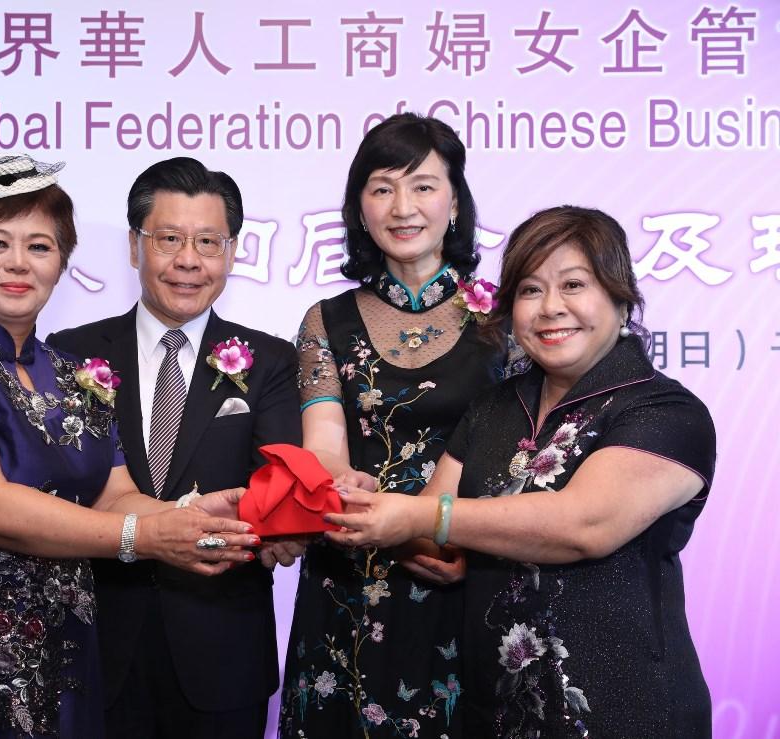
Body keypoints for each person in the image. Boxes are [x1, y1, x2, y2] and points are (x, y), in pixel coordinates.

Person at [0, 154, 260, 738]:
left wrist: (189, 517)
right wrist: (147, 537)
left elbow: (114, 495)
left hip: (65, 670)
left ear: (63, 262)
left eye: (41, 247)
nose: (19, 263)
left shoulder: (75, 376)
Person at [326, 205, 716, 738]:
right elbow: (436, 544)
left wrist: (419, 515)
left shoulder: (665, 411)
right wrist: (363, 503)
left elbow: (585, 525)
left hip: (624, 712)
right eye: (531, 290)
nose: (551, 308)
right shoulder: (493, 408)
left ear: (621, 301)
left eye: (574, 284)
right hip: (497, 714)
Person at [47, 156, 302, 739]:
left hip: (222, 645)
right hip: (96, 638)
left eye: (208, 241)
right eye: (169, 239)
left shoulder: (270, 363)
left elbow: (276, 486)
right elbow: (57, 484)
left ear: (232, 252)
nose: (189, 260)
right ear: (136, 248)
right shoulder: (68, 353)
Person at [279, 113, 507, 738]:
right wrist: (347, 490)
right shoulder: (325, 320)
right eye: (382, 188)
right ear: (359, 208)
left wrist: (461, 543)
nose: (403, 206)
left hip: (462, 570)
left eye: (424, 186)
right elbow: (322, 447)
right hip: (349, 574)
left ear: (455, 200)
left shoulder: (505, 319)